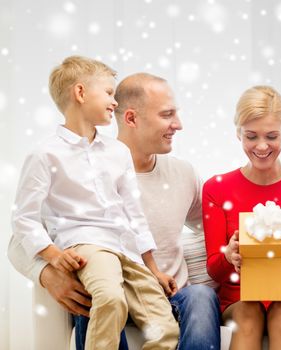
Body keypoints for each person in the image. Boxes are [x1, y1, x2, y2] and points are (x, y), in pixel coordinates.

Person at [10, 56, 178, 350]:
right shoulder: (45, 155)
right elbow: (24, 218)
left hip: (126, 250)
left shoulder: (117, 152)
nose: (115, 103)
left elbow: (133, 214)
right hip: (88, 246)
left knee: (163, 326)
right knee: (110, 300)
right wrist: (51, 255)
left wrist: (153, 268)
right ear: (80, 93)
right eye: (109, 93)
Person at [73, 73, 221, 350]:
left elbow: (216, 228)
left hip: (171, 293)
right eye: (167, 115)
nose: (178, 125)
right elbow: (28, 236)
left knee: (202, 296)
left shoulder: (182, 172)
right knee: (100, 299)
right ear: (131, 119)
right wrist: (48, 273)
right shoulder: (86, 173)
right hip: (112, 291)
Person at [202, 85, 281, 349]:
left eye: (271, 136)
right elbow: (214, 268)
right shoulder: (216, 188)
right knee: (249, 312)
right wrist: (228, 257)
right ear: (238, 134)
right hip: (238, 298)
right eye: (251, 136)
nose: (261, 146)